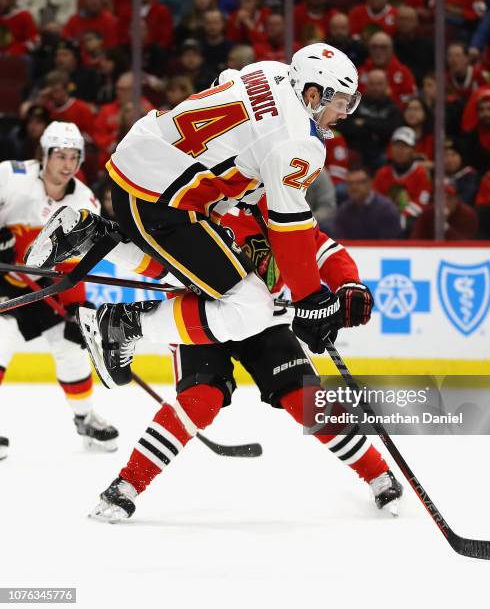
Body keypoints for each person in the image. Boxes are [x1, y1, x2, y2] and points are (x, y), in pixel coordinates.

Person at [28, 44, 362, 392]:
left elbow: (223, 89)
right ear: (313, 94)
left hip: (143, 161)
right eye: (340, 101)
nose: (345, 112)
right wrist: (310, 298)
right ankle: (122, 325)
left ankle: (90, 234)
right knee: (251, 308)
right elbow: (290, 228)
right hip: (163, 199)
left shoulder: (270, 71)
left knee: (183, 272)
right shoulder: (300, 142)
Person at [87, 197, 403, 521]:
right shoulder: (205, 194)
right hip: (200, 314)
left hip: (264, 320)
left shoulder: (278, 198)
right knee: (200, 400)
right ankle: (126, 485)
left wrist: (348, 283)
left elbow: (322, 249)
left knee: (306, 399)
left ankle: (378, 474)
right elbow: (159, 251)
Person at [0, 122, 118, 455]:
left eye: (73, 157)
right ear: (44, 154)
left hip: (44, 288)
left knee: (70, 349)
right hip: (4, 281)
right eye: (60, 155)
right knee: (0, 341)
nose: (67, 164)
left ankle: (85, 418)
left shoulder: (85, 202)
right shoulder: (10, 175)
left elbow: (72, 268)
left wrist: (75, 308)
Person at [372, 126, 432, 233]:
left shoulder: (422, 173)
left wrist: (401, 218)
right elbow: (376, 201)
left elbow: (422, 203)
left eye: (405, 146)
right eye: (397, 146)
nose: (400, 150)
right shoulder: (382, 173)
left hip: (411, 220)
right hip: (384, 219)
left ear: (413, 150)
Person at [333, 168, 402, 239]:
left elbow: (389, 244)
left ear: (370, 182)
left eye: (359, 182)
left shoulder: (386, 209)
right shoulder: (343, 211)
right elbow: (340, 241)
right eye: (350, 183)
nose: (354, 187)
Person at [411, 178, 479, 240]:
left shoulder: (467, 215)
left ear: (456, 199)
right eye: (440, 198)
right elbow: (416, 240)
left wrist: (444, 226)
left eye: (449, 198)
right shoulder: (427, 213)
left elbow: (466, 246)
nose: (444, 202)